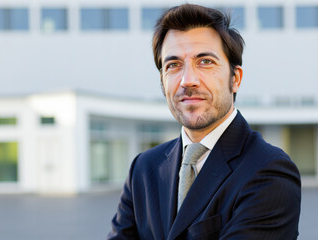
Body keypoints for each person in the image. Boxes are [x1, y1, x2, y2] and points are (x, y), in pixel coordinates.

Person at [107, 3, 301, 240]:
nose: (188, 80)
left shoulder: (269, 172)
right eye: (173, 65)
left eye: (205, 62)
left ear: (235, 79)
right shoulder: (143, 168)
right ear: (162, 81)